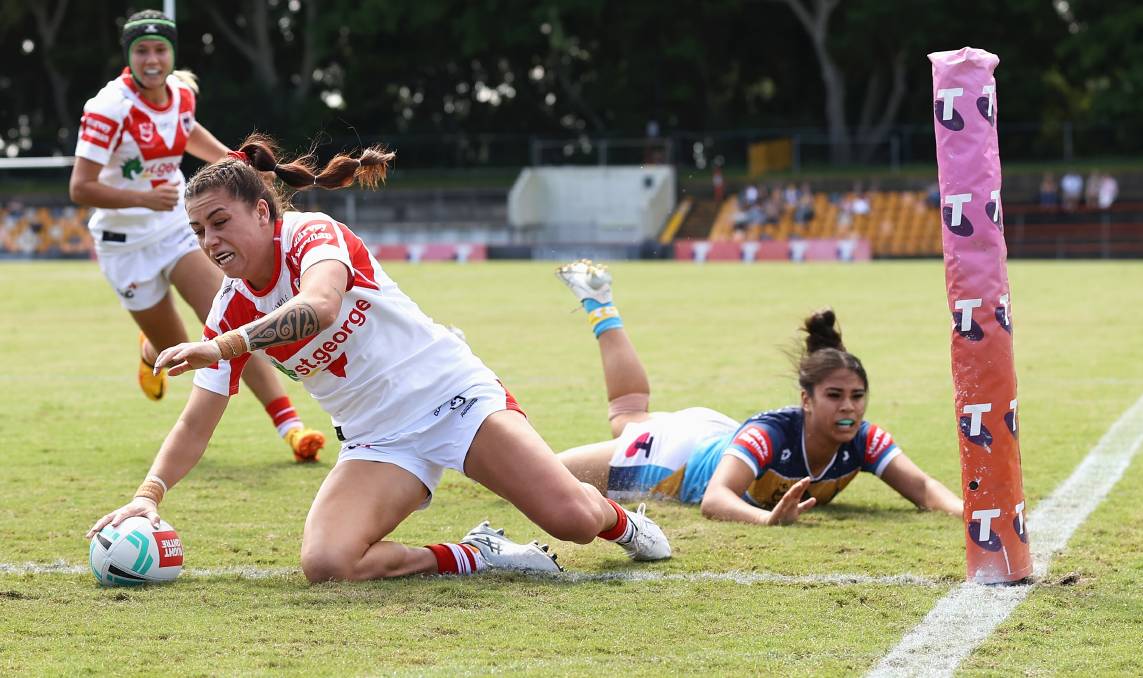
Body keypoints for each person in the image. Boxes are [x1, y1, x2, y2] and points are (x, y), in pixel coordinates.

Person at [87, 136, 671, 581]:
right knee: (327, 563)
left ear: (264, 213)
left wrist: (222, 345)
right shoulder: (228, 307)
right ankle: (477, 552)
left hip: (453, 398)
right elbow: (197, 419)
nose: (211, 243)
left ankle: (626, 524)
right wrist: (148, 496)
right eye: (197, 232)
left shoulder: (312, 234)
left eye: (221, 222)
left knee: (572, 520)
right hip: (378, 442)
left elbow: (318, 306)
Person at [68, 10, 323, 462]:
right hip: (123, 247)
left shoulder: (181, 95)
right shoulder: (108, 108)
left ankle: (291, 428)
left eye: (160, 49)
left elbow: (187, 132)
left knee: (229, 323)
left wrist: (232, 159)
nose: (152, 59)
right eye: (142, 50)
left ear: (172, 53)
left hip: (173, 231)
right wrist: (143, 200)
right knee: (176, 350)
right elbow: (80, 187)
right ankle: (151, 352)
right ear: (129, 56)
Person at [553, 260, 963, 526]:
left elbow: (923, 489)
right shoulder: (772, 433)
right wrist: (767, 520)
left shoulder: (864, 439)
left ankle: (600, 301)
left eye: (858, 397)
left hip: (715, 433)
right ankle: (598, 303)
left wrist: (968, 515)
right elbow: (715, 499)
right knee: (549, 476)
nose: (849, 408)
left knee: (627, 417)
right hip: (672, 457)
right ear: (806, 400)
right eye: (834, 395)